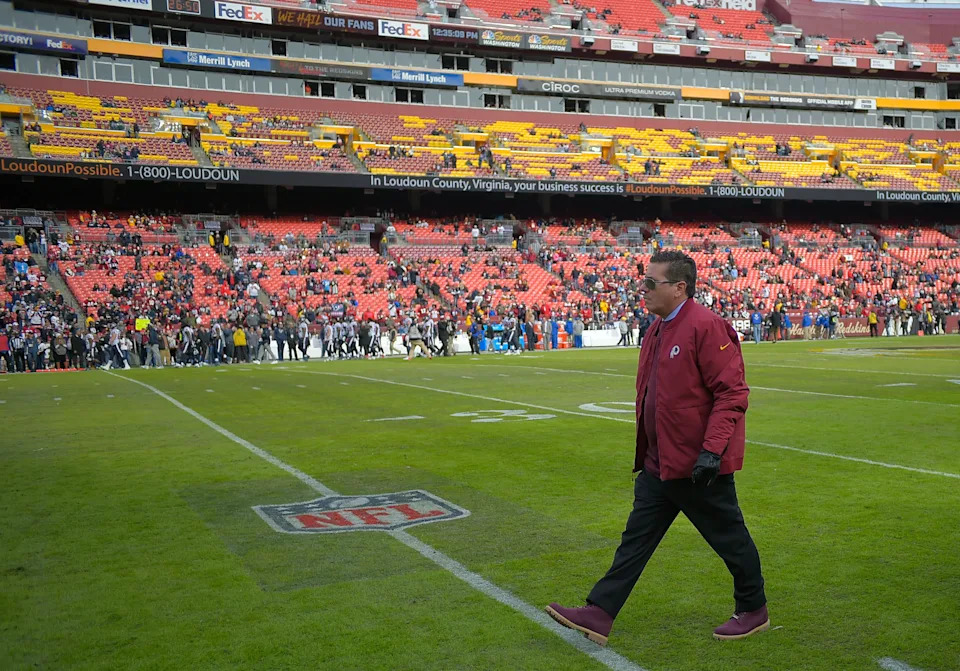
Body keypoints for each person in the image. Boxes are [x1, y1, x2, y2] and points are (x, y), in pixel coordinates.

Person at [546, 250, 768, 645]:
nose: (642, 289)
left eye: (651, 283)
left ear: (679, 287)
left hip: (697, 464)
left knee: (730, 539)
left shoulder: (707, 326)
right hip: (659, 462)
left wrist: (712, 451)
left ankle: (753, 609)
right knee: (635, 540)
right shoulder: (655, 329)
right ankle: (599, 612)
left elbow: (732, 393)